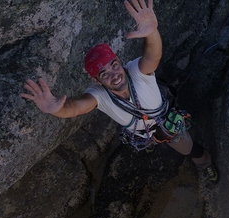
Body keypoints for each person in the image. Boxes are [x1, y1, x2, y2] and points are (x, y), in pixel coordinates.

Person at [21, 0, 218, 183]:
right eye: (104, 74)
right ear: (95, 80)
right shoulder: (99, 95)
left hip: (167, 124)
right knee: (148, 141)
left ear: (119, 61)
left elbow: (153, 56)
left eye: (114, 65)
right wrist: (56, 109)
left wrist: (152, 32)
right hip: (142, 134)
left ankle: (205, 163)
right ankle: (153, 143)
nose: (114, 75)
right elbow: (75, 108)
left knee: (187, 147)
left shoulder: (136, 72)